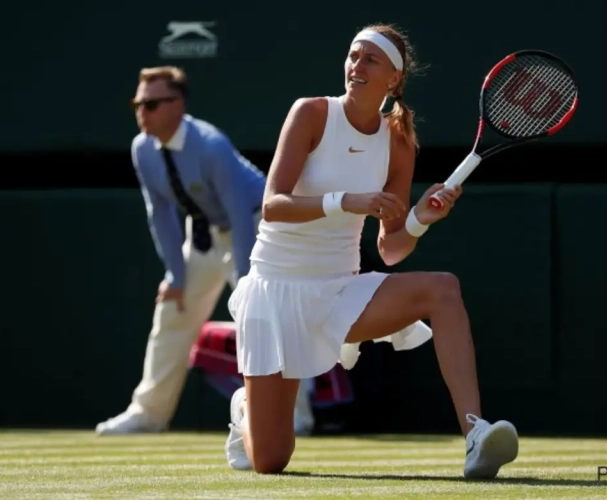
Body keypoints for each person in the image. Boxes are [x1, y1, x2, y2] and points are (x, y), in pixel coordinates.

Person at [223, 24, 520, 478]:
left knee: (443, 290)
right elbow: (272, 206)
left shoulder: (398, 141)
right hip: (275, 292)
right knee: (270, 460)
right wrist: (345, 200)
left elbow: (392, 248)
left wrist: (421, 217)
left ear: (393, 80)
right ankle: (245, 407)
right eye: (353, 56)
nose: (356, 66)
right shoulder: (311, 113)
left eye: (369, 60)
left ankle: (475, 433)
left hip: (340, 292)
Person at [96, 66, 315, 436]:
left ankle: (296, 417)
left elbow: (238, 215)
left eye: (150, 104)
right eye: (138, 103)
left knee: (267, 317)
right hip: (204, 234)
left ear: (177, 105)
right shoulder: (142, 149)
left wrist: (248, 281)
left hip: (257, 226)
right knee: (172, 309)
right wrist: (175, 277)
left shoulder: (211, 145)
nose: (141, 112)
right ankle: (149, 413)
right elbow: (160, 212)